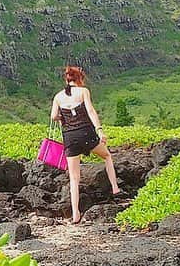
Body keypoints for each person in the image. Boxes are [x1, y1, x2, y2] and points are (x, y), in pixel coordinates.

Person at [50, 65, 126, 223]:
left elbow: (53, 116)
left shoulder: (58, 97)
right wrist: (99, 130)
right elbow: (91, 111)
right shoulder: (83, 91)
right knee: (107, 156)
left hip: (69, 137)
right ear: (79, 78)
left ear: (66, 79)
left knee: (74, 178)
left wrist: (64, 117)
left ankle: (75, 213)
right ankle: (115, 188)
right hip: (86, 134)